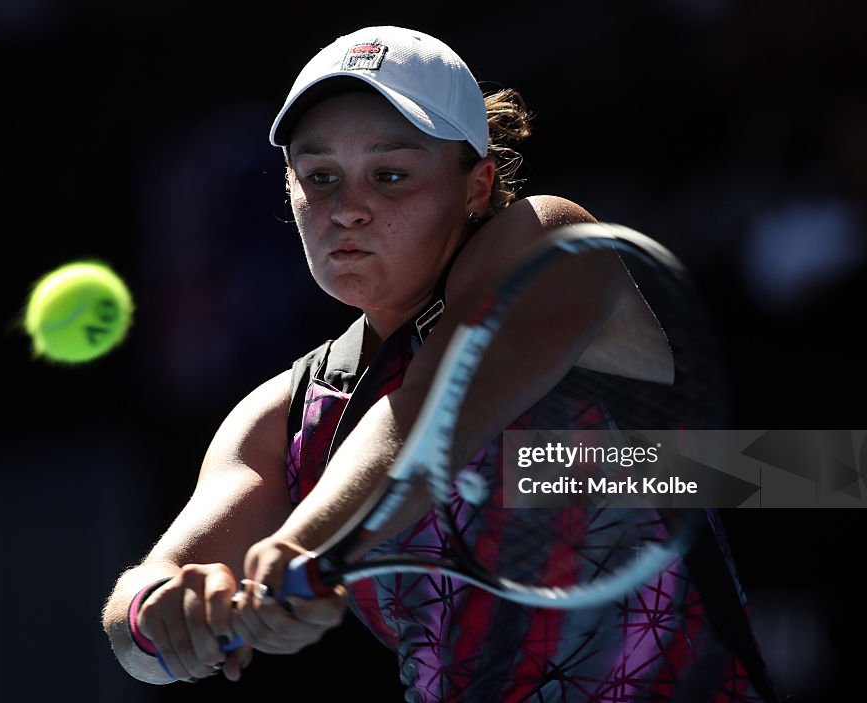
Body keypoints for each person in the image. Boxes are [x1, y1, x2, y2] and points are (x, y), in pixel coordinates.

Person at [102, 25, 776, 702]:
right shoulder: (280, 417)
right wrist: (165, 614)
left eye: (390, 174)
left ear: (478, 188)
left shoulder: (552, 244)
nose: (347, 209)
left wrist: (301, 549)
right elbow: (138, 624)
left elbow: (422, 419)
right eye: (319, 176)